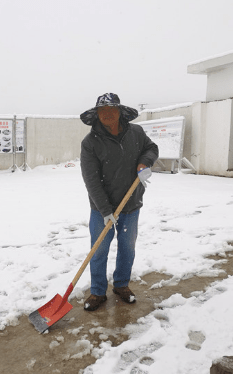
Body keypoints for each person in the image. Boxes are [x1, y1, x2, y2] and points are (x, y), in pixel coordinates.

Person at [80, 92, 159, 312]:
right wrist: (105, 210)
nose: (107, 114)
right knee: (99, 250)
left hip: (131, 203)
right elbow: (91, 180)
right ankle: (97, 291)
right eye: (102, 111)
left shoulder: (136, 132)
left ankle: (121, 285)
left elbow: (151, 148)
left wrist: (145, 163)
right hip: (102, 208)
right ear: (97, 115)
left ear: (119, 112)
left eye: (111, 110)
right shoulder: (90, 143)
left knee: (127, 248)